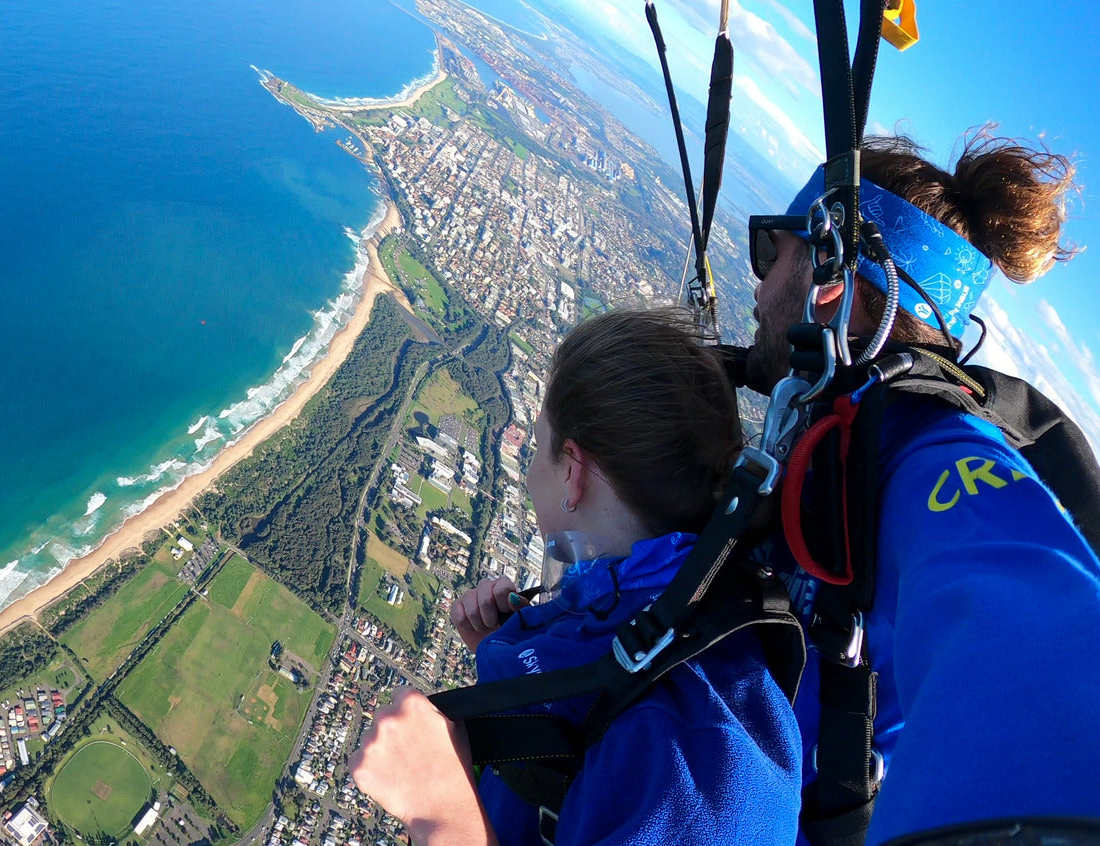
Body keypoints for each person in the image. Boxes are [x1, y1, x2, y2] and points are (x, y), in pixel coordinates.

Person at [744, 132, 1100, 842]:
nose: (757, 283)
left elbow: (1040, 626)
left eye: (769, 251)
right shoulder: (844, 435)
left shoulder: (936, 454)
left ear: (831, 278)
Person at [348, 308, 803, 845]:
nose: (529, 469)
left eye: (537, 446)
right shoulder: (648, 601)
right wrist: (508, 652)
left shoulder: (706, 757)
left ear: (574, 471)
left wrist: (443, 814)